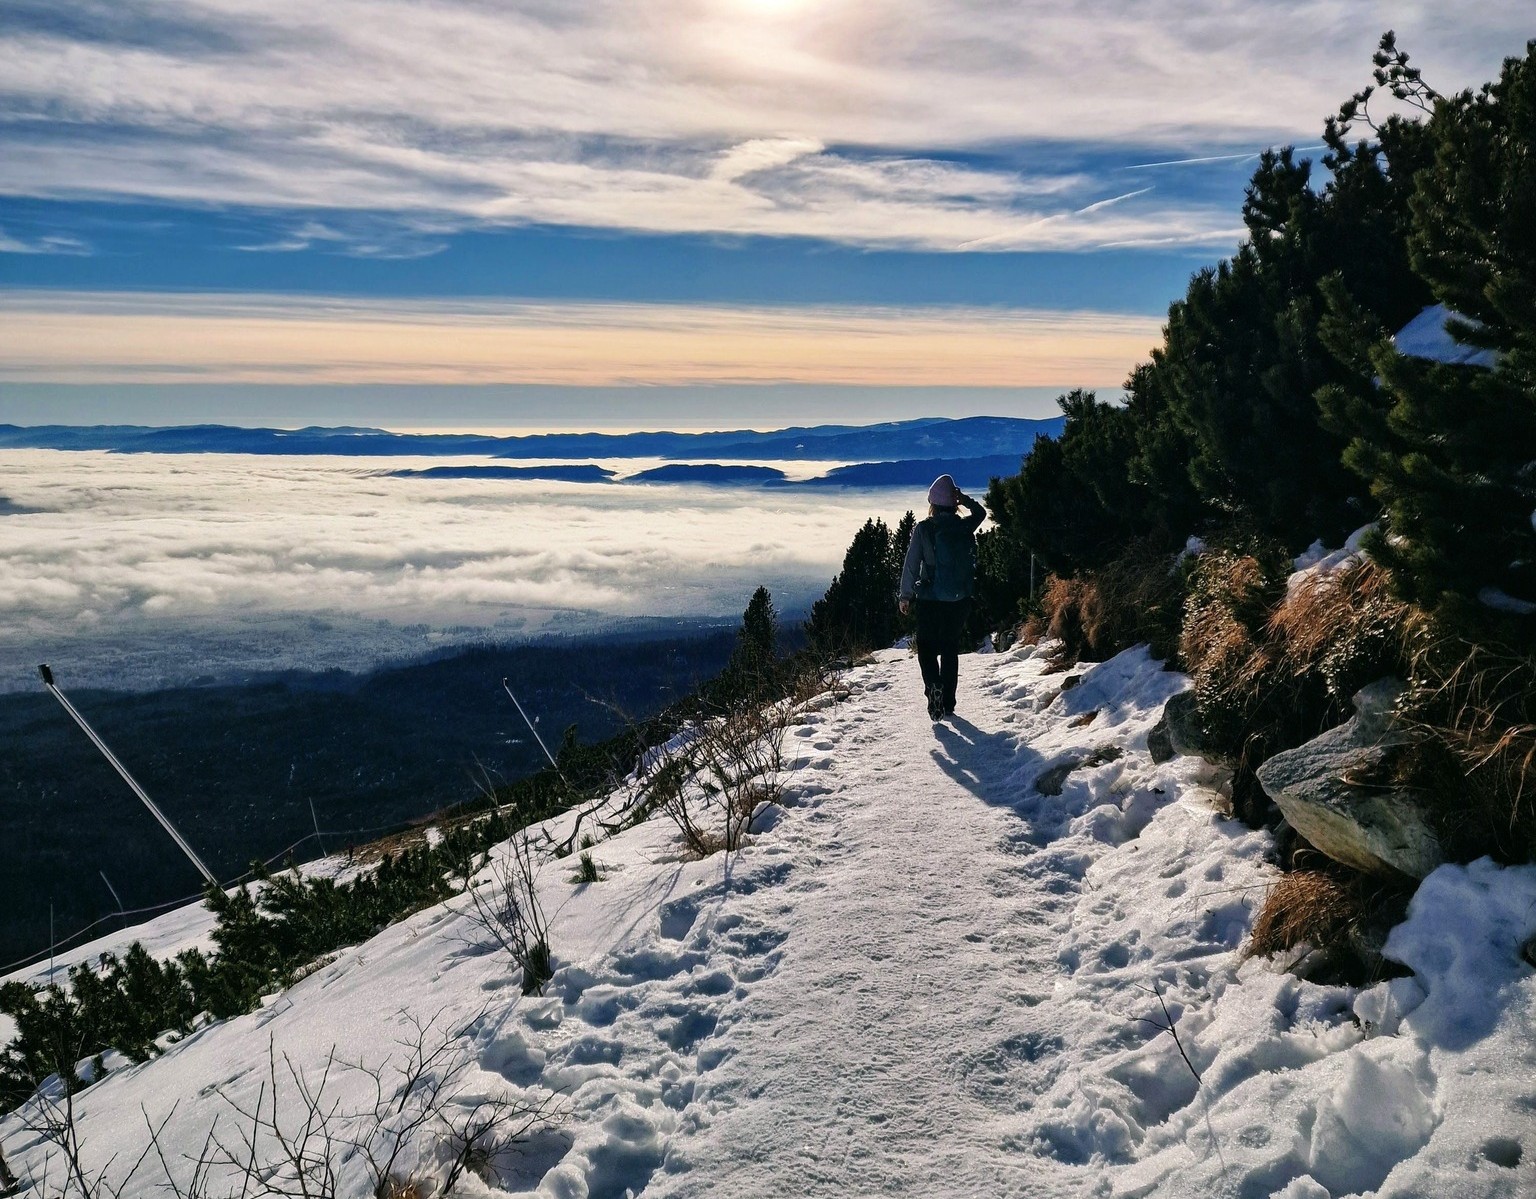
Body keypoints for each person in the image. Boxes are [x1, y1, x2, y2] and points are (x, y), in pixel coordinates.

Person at [898, 474, 986, 720]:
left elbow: (912, 564)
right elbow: (981, 513)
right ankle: (948, 703)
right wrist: (964, 499)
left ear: (932, 505)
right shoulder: (964, 525)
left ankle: (933, 686)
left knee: (925, 647)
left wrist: (905, 595)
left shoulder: (925, 529)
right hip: (960, 599)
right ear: (952, 502)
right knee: (949, 647)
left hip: (930, 599)